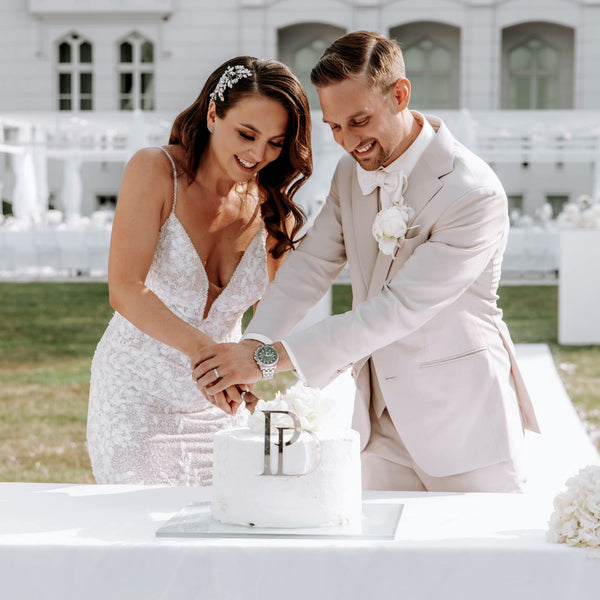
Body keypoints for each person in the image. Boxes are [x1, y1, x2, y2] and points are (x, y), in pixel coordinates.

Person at [192, 31, 540, 493]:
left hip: (463, 422)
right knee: (376, 562)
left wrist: (265, 360)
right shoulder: (351, 172)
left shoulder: (471, 192)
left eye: (359, 120)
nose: (348, 141)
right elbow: (311, 265)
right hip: (376, 423)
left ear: (399, 94)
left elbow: (396, 310)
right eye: (334, 126)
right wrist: (256, 339)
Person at [87, 56, 312, 485]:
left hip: (220, 409)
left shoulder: (273, 213)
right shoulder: (156, 170)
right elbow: (125, 289)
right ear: (213, 114)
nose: (257, 154)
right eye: (247, 134)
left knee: (224, 537)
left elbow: (275, 327)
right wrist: (208, 357)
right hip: (135, 398)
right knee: (142, 531)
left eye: (275, 143)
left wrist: (255, 367)